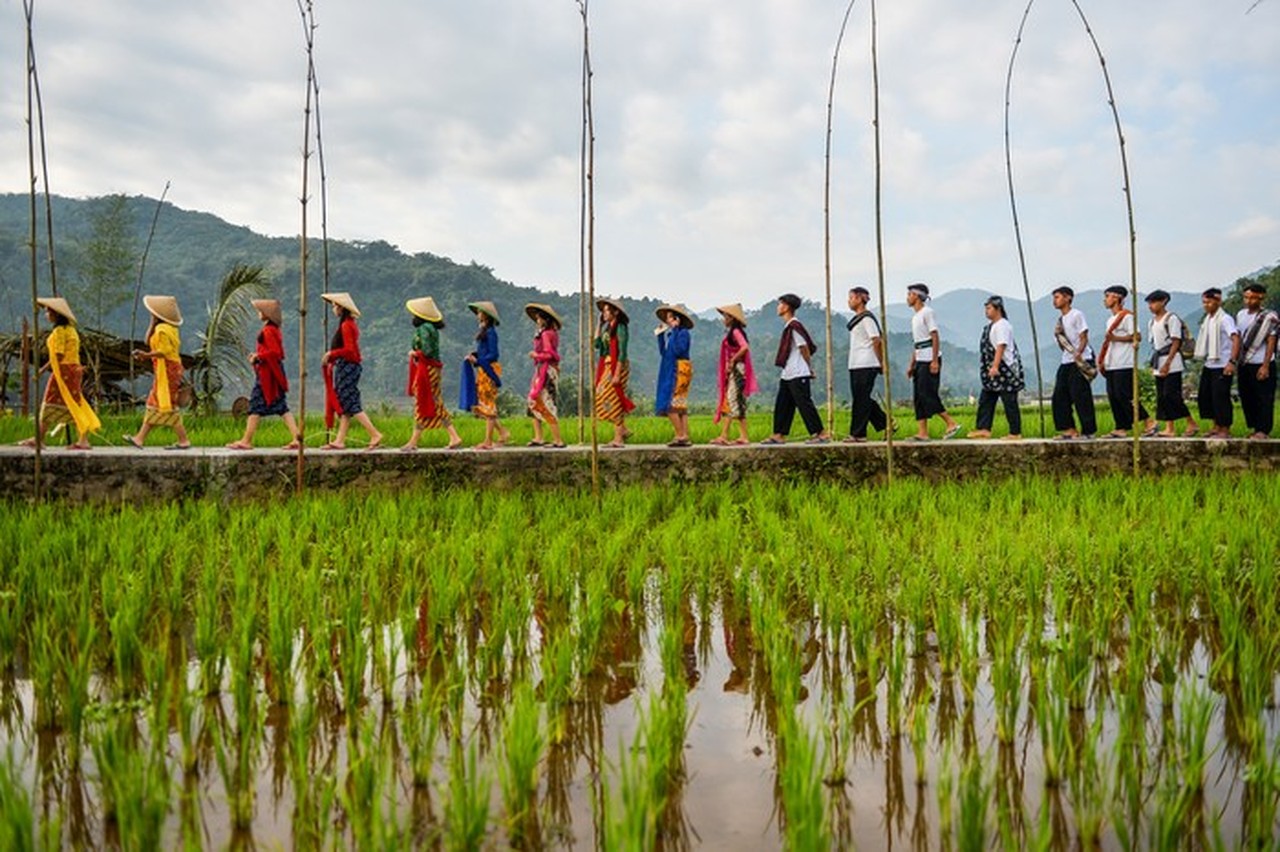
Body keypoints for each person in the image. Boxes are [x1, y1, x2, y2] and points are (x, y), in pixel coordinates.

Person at [18, 297, 100, 450]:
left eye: (48, 311)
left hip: (64, 371)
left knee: (53, 402)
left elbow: (59, 355)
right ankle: (78, 439)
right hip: (72, 370)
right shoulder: (71, 330)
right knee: (73, 403)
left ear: (56, 314)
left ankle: (42, 438)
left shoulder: (59, 331)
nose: (46, 315)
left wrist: (42, 369)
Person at [226, 299, 301, 450]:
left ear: (267, 314)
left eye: (260, 311)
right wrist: (258, 356)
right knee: (282, 408)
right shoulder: (272, 329)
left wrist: (258, 357)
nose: (259, 314)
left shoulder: (269, 330)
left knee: (255, 406)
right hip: (269, 373)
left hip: (268, 376)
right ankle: (297, 438)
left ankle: (246, 441)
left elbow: (276, 353)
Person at [125, 295, 192, 449]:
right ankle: (140, 438)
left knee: (166, 403)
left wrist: (146, 355)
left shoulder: (162, 330)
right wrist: (152, 322)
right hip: (168, 369)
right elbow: (148, 341)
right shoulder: (170, 328)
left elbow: (164, 351)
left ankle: (183, 440)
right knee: (155, 403)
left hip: (167, 370)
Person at [762, 293, 830, 444]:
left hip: (799, 372)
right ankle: (778, 434)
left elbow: (803, 347)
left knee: (804, 404)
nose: (778, 307)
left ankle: (821, 433)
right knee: (783, 404)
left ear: (786, 307)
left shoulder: (794, 326)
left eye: (780, 304)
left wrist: (809, 367)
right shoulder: (789, 326)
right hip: (788, 373)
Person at [319, 291, 383, 450]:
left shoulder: (347, 325)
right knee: (345, 405)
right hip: (345, 366)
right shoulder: (346, 324)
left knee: (351, 403)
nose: (333, 309)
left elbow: (349, 351)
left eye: (334, 306)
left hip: (348, 366)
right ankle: (340, 440)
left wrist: (331, 354)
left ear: (341, 308)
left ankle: (374, 434)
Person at [402, 296, 464, 451]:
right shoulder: (432, 328)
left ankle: (414, 441)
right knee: (433, 401)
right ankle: (452, 436)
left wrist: (416, 354)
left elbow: (427, 351)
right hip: (432, 368)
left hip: (427, 369)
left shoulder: (424, 328)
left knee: (426, 400)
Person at [904, 283, 961, 441]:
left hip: (929, 358)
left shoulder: (927, 312)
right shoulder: (915, 317)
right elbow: (917, 343)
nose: (907, 298)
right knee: (918, 396)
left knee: (927, 393)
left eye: (909, 294)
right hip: (920, 358)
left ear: (916, 296)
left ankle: (950, 422)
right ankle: (923, 432)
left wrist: (934, 360)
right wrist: (911, 364)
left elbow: (934, 336)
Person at [1097, 285, 1154, 438]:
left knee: (1124, 394)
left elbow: (1136, 336)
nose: (1105, 299)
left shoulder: (1127, 317)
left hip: (1124, 362)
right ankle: (1121, 426)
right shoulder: (1110, 320)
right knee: (1113, 395)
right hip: (1112, 362)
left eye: (1108, 296)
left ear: (1116, 298)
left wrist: (1116, 338)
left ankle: (1148, 420)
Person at [1145, 290, 1199, 438]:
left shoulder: (1171, 318)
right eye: (1149, 303)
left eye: (1153, 302)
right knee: (1162, 396)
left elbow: (1176, 341)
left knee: (1171, 394)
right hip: (1158, 360)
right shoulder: (1152, 322)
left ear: (1163, 301)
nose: (1151, 306)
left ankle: (1191, 422)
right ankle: (1170, 428)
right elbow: (1155, 344)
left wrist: (1168, 363)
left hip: (1172, 361)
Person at [969, 295, 1024, 440]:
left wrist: (995, 366)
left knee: (1009, 401)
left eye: (988, 308)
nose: (986, 311)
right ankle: (983, 428)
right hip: (994, 369)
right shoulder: (991, 326)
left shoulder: (1002, 325)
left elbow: (1001, 345)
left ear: (998, 309)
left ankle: (1015, 432)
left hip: (1004, 369)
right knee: (986, 398)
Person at [460, 300, 510, 450]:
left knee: (488, 406)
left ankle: (488, 441)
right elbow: (484, 352)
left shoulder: (491, 332)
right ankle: (502, 433)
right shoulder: (485, 331)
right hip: (483, 369)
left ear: (486, 316)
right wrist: (474, 356)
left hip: (489, 370)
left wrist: (478, 360)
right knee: (485, 405)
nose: (478, 315)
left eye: (480, 313)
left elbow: (494, 354)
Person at [1193, 287, 1240, 440]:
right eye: (1204, 302)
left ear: (1217, 302)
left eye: (1209, 302)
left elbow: (1235, 338)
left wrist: (1232, 362)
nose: (1206, 305)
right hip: (1210, 363)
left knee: (1221, 396)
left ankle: (1225, 428)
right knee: (1206, 396)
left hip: (1223, 363)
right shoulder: (1208, 320)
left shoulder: (1225, 319)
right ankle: (1215, 425)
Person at [1050, 285, 1097, 440]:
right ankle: (1069, 429)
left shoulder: (1076, 314)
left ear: (1068, 298)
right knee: (1059, 395)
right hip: (1066, 360)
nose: (1054, 301)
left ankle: (1088, 430)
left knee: (1081, 395)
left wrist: (1079, 352)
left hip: (1080, 359)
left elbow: (1084, 336)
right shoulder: (1060, 320)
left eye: (1057, 297)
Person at [844, 286, 889, 443]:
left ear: (859, 298)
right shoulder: (858, 319)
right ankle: (886, 423)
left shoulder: (867, 318)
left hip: (867, 363)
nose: (849, 301)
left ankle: (858, 433)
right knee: (861, 398)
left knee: (861, 399)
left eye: (851, 298)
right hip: (856, 363)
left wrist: (881, 362)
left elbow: (876, 340)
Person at [710, 303, 757, 446]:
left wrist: (733, 360)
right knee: (734, 403)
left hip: (738, 370)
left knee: (732, 401)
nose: (724, 319)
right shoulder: (733, 332)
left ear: (731, 318)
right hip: (736, 369)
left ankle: (732, 436)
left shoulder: (736, 332)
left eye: (725, 316)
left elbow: (744, 347)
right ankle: (736, 436)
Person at [1235, 282, 1277, 439]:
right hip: (1245, 362)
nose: (1249, 301)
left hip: (1262, 362)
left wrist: (1266, 365)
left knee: (1264, 397)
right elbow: (1239, 337)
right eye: (1246, 297)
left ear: (1261, 297)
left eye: (1252, 298)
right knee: (1247, 396)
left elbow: (1271, 341)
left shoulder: (1269, 317)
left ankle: (1263, 430)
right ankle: (1254, 427)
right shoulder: (1240, 315)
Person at [594, 298, 635, 447]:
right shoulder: (608, 328)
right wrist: (599, 324)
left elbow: (622, 352)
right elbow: (597, 344)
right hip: (607, 365)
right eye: (603, 311)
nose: (604, 313)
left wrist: (617, 373)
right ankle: (622, 429)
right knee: (600, 394)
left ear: (615, 312)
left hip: (617, 366)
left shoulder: (620, 328)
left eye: (606, 310)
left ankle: (619, 438)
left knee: (612, 398)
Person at [525, 302, 565, 448]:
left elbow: (549, 354)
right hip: (543, 369)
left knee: (546, 403)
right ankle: (539, 437)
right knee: (534, 402)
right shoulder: (548, 333)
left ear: (545, 320)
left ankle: (558, 440)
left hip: (546, 371)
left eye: (539, 318)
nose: (537, 321)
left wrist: (536, 354)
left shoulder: (547, 334)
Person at [654, 303, 694, 447]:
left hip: (679, 371)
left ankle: (680, 435)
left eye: (670, 318)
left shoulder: (683, 333)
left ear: (677, 319)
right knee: (679, 406)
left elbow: (679, 350)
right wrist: (660, 337)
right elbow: (664, 353)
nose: (668, 321)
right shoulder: (672, 335)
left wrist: (676, 329)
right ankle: (684, 435)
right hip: (670, 368)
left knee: (672, 406)